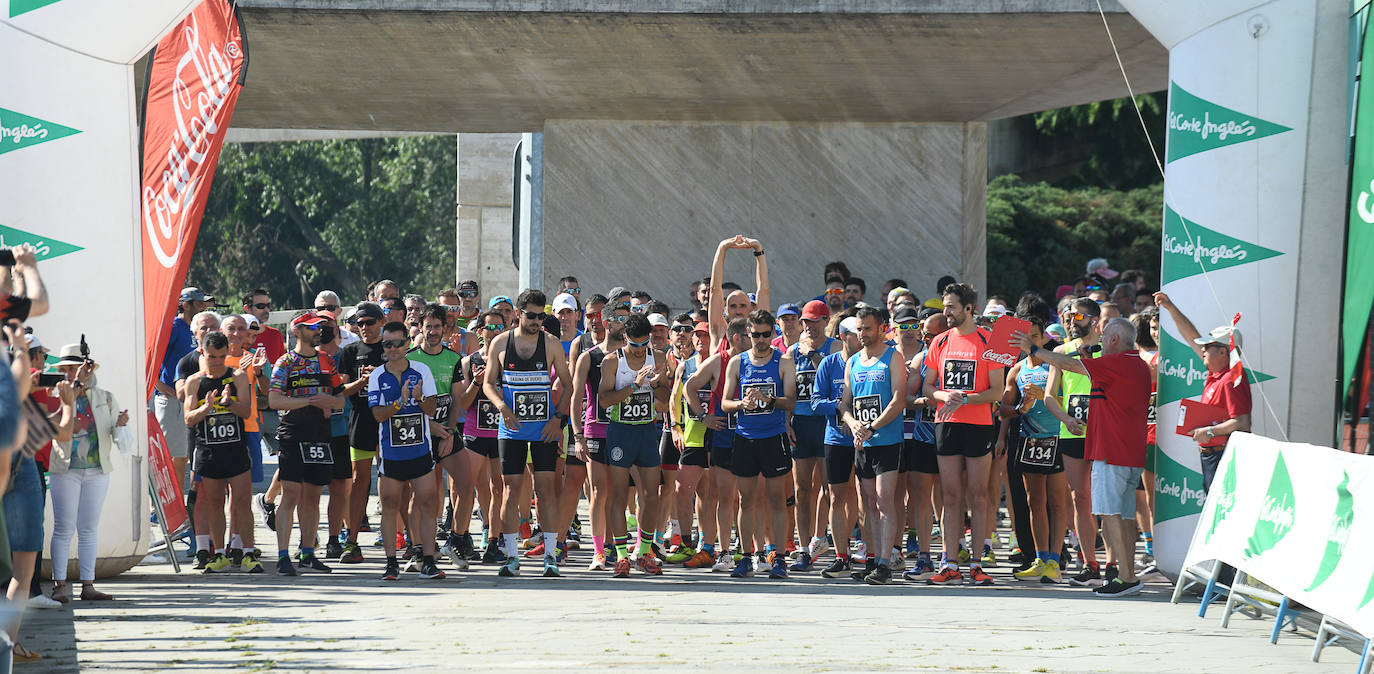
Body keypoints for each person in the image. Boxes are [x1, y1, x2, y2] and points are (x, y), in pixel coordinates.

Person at [1011, 317, 1151, 597]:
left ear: (1113, 340)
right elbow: (1087, 371)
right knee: (1123, 516)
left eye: (1104, 339)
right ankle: (1128, 575)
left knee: (1110, 514)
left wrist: (1034, 350)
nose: (1099, 344)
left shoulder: (1118, 362)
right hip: (1128, 452)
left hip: (1113, 452)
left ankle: (1124, 577)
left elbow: (1072, 365)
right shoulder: (1135, 363)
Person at [482, 289, 572, 577]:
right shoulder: (500, 343)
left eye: (541, 316)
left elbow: (569, 386)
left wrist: (558, 419)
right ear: (518, 313)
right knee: (510, 490)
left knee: (546, 490)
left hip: (544, 428)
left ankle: (550, 555)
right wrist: (501, 408)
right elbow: (488, 384)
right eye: (531, 316)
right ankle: (511, 556)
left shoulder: (552, 344)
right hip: (511, 429)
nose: (536, 321)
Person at [922, 282, 1004, 586]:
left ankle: (979, 563)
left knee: (979, 495)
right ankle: (950, 562)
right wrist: (945, 396)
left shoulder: (988, 340)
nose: (946, 312)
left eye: (952, 307)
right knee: (950, 494)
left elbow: (996, 390)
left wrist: (967, 398)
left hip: (979, 424)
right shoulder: (940, 341)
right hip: (947, 424)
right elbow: (927, 387)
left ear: (968, 308)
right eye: (945, 306)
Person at [720, 309, 797, 580]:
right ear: (747, 335)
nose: (761, 340)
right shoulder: (737, 362)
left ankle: (778, 557)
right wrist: (741, 404)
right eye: (756, 335)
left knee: (777, 499)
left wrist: (768, 399)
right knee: (746, 500)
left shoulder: (784, 362)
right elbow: (724, 402)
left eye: (766, 334)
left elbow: (791, 402)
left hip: (773, 436)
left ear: (773, 333)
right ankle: (745, 556)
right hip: (745, 437)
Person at [368, 321, 446, 581]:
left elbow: (432, 410)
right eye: (387, 344)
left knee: (427, 503)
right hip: (391, 454)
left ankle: (427, 559)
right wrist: (400, 402)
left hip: (420, 451)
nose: (393, 348)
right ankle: (391, 562)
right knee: (390, 505)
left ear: (407, 344)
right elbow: (378, 415)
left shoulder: (421, 369)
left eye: (398, 343)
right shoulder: (378, 375)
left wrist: (420, 397)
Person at [50, 343, 127, 602]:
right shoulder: (56, 393)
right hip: (65, 468)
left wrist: (121, 425)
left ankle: (88, 585)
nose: (72, 373)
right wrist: (76, 387)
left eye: (76, 368)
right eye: (67, 369)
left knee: (89, 528)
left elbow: (118, 437)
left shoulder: (104, 396)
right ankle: (59, 584)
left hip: (97, 469)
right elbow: (54, 421)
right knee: (63, 527)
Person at [268, 311, 343, 576]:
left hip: (320, 435)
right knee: (290, 495)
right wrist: (311, 401)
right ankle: (282, 555)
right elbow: (275, 400)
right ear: (297, 331)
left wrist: (329, 402)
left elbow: (341, 399)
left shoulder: (327, 360)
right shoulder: (286, 361)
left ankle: (308, 553)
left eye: (320, 327)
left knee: (313, 497)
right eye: (312, 328)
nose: (318, 332)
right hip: (293, 433)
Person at [1153, 293, 1252, 490]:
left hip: (1224, 455)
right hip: (1213, 454)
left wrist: (1209, 431)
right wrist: (1171, 308)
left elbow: (1242, 422)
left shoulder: (1231, 378)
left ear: (1223, 352)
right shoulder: (1217, 373)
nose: (1203, 349)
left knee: (1223, 512)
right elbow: (1192, 337)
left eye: (1208, 346)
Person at [838, 306, 908, 585]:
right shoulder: (853, 361)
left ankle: (885, 563)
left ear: (881, 328)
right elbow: (844, 401)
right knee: (868, 502)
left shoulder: (893, 357)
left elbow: (898, 400)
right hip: (861, 441)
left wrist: (872, 427)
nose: (863, 334)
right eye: (859, 329)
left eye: (868, 328)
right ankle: (874, 558)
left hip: (886, 439)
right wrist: (853, 423)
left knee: (884, 500)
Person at [597, 313, 670, 577]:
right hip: (621, 432)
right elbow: (603, 401)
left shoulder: (658, 357)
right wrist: (634, 386)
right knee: (618, 494)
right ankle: (620, 556)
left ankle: (645, 552)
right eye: (634, 344)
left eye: (644, 344)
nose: (640, 350)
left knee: (652, 495)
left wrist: (658, 383)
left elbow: (666, 396)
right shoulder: (611, 362)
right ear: (625, 338)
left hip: (646, 431)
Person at [182, 331, 258, 573]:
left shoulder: (237, 377)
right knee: (215, 502)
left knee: (242, 502)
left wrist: (229, 404)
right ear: (203, 353)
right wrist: (208, 407)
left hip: (235, 449)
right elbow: (188, 419)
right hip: (208, 451)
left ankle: (247, 552)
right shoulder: (194, 381)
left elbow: (246, 412)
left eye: (221, 356)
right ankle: (219, 554)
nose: (216, 362)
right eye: (212, 357)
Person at [1002, 315, 1069, 584]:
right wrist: (1020, 409)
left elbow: (1071, 399)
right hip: (1029, 440)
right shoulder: (1016, 370)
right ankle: (1040, 558)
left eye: (1036, 336)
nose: (1031, 342)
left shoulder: (1056, 365)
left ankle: (1055, 560)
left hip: (1056, 438)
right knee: (1034, 502)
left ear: (1044, 339)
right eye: (1026, 337)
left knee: (1057, 501)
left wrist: (1046, 397)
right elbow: (1003, 410)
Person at [682, 318, 750, 573]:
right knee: (724, 496)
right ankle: (724, 552)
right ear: (736, 338)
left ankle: (750, 551)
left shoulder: (755, 359)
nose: (754, 341)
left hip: (752, 435)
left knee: (750, 496)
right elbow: (690, 387)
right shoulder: (718, 361)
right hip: (723, 435)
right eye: (749, 336)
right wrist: (703, 417)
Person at [1045, 298, 1105, 586]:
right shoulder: (1060, 351)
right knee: (1080, 497)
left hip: (1103, 431)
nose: (1070, 321)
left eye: (1077, 316)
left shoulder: (1110, 348)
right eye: (1067, 316)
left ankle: (1116, 564)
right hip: (1073, 431)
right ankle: (1090, 563)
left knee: (1107, 499)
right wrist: (1066, 419)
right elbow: (1049, 396)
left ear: (1094, 320)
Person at [407, 305, 469, 570]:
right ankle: (419, 549)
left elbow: (456, 401)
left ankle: (455, 540)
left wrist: (450, 432)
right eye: (427, 327)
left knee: (466, 486)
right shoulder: (410, 358)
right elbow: (407, 403)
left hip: (447, 431)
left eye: (436, 327)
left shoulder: (454, 359)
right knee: (421, 496)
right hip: (420, 433)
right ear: (420, 328)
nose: (432, 332)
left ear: (445, 329)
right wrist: (431, 428)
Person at [571, 302, 630, 571]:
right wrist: (578, 435)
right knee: (598, 491)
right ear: (606, 323)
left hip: (626, 430)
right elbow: (576, 398)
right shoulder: (589, 356)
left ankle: (621, 548)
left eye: (627, 319)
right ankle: (598, 552)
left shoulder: (634, 355)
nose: (625, 324)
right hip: (596, 428)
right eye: (619, 319)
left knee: (623, 492)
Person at [785, 300, 837, 572]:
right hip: (802, 422)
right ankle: (803, 548)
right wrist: (786, 422)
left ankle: (822, 537)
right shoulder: (793, 351)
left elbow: (831, 380)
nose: (809, 326)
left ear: (826, 321)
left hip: (826, 422)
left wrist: (813, 354)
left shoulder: (835, 348)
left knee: (829, 488)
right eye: (805, 321)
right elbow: (788, 389)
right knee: (802, 489)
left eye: (814, 321)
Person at [456, 310, 509, 565]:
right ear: (481, 331)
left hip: (502, 431)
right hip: (475, 431)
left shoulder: (510, 360)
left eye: (501, 327)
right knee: (468, 486)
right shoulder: (469, 362)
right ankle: (461, 537)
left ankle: (493, 542)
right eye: (491, 327)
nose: (496, 331)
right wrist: (476, 384)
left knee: (499, 488)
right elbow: (462, 404)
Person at [338, 302, 386, 560]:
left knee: (392, 479)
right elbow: (341, 392)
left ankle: (404, 538)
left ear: (381, 322)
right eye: (359, 323)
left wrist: (380, 376)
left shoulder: (392, 348)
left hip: (388, 420)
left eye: (369, 322)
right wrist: (363, 381)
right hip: (360, 419)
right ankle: (352, 540)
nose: (364, 328)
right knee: (359, 481)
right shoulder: (350, 351)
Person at [815, 317, 861, 578]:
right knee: (836, 496)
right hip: (835, 437)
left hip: (866, 437)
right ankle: (841, 556)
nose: (862, 337)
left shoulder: (868, 362)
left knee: (866, 496)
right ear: (844, 337)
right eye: (857, 333)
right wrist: (840, 410)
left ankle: (867, 550)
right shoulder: (829, 364)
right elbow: (814, 402)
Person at [156, 287, 212, 495]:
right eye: (199, 304)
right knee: (168, 454)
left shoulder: (197, 329)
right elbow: (152, 356)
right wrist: (159, 386)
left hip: (192, 398)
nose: (203, 307)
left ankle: (178, 503)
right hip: (171, 399)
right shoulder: (173, 326)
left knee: (182, 456)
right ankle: (162, 504)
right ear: (185, 305)